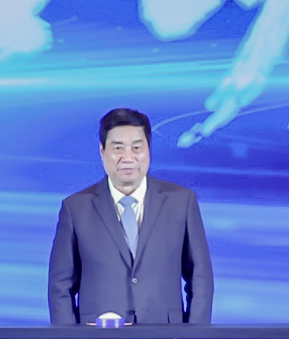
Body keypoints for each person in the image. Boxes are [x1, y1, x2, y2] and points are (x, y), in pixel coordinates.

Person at [46, 108, 214, 325]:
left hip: (165, 336)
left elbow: (200, 278)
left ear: (148, 151)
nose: (128, 157)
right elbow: (60, 286)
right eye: (118, 148)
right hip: (99, 337)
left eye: (137, 148)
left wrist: (195, 337)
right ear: (102, 151)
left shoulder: (181, 202)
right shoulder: (75, 208)